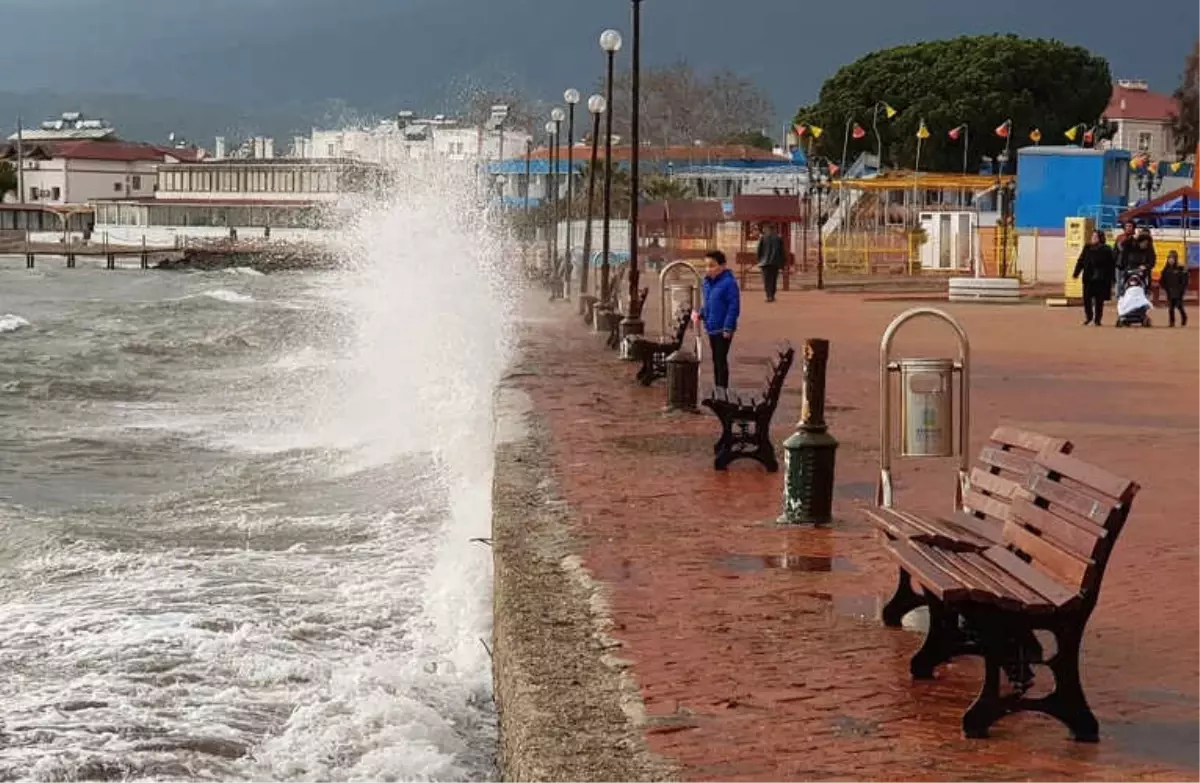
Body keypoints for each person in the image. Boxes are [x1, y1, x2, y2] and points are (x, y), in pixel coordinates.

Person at [701, 250, 740, 389]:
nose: (708, 269)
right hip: (711, 327)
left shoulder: (729, 283)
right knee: (716, 359)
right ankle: (718, 387)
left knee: (720, 359)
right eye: (706, 266)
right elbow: (708, 304)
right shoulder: (707, 283)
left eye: (712, 266)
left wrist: (728, 327)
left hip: (723, 329)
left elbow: (733, 307)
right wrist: (701, 313)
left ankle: (722, 388)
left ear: (722, 266)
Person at [1072, 229, 1116, 326]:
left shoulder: (1107, 249)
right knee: (1087, 299)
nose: (1093, 238)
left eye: (1095, 237)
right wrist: (1076, 273)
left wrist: (1112, 278)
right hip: (1088, 277)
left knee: (1099, 301)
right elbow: (1081, 261)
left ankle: (1097, 319)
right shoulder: (1087, 247)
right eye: (1092, 236)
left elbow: (1111, 265)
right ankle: (1089, 317)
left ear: (1100, 238)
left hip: (1101, 278)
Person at [756, 223, 786, 302]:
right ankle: (772, 295)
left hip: (764, 262)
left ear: (767, 229)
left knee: (766, 279)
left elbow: (759, 250)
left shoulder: (763, 238)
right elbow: (782, 252)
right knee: (773, 279)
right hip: (775, 263)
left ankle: (768, 295)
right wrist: (782, 263)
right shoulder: (778, 238)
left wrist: (759, 260)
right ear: (774, 229)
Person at [1160, 250, 1189, 327]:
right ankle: (1171, 322)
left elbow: (1184, 280)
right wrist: (1166, 288)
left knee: (1179, 306)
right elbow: (1162, 281)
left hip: (1179, 291)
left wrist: (1182, 289)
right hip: (1170, 291)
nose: (1171, 260)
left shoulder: (1180, 269)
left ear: (1175, 259)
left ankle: (1184, 317)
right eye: (1169, 258)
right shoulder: (1165, 270)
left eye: (1172, 258)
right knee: (1171, 307)